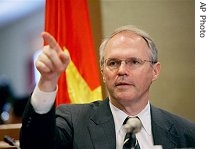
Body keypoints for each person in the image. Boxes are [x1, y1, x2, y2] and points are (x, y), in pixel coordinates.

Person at [20, 25, 195, 149]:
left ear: (155, 71)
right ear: (103, 72)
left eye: (134, 62)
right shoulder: (73, 122)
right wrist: (47, 81)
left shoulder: (187, 133)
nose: (122, 71)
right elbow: (36, 145)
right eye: (113, 63)